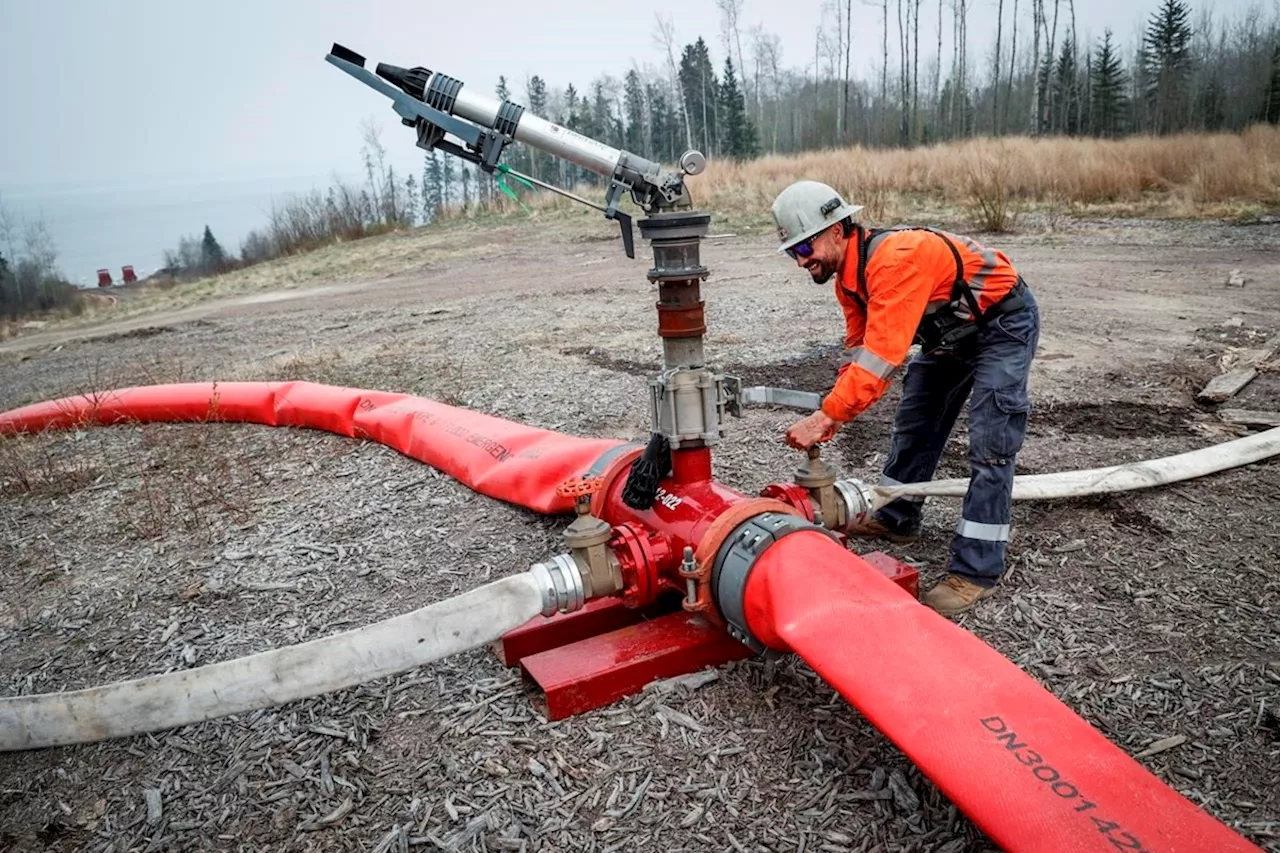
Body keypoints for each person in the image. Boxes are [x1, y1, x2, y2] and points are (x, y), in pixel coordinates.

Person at [770, 180, 1040, 616]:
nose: (801, 262)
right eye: (792, 253)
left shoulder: (894, 261)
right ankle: (897, 517)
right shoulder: (848, 281)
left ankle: (976, 571)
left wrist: (824, 417)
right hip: (951, 337)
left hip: (1001, 326)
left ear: (837, 231)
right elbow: (858, 352)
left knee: (991, 445)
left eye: (805, 249)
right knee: (917, 420)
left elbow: (881, 359)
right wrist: (836, 409)